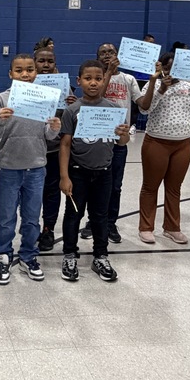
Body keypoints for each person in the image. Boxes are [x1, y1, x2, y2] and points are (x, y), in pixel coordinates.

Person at [0, 54, 61, 284]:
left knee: (31, 218)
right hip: (9, 167)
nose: (25, 74)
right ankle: (3, 253)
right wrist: (0, 119)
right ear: (11, 74)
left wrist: (55, 128)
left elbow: (48, 136)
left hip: (36, 168)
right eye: (19, 70)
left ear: (36, 73)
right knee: (6, 217)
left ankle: (29, 255)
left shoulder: (45, 98)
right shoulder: (2, 99)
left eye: (29, 70)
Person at [59, 59, 130, 282]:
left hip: (104, 173)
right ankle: (70, 254)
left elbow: (121, 143)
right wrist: (64, 176)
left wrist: (123, 133)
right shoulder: (72, 111)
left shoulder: (113, 109)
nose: (93, 83)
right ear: (79, 81)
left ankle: (100, 255)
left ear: (104, 81)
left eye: (98, 79)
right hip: (78, 172)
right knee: (73, 215)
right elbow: (65, 145)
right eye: (88, 78)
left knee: (100, 216)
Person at [137, 54, 190, 244]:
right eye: (168, 67)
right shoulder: (152, 85)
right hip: (156, 142)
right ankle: (146, 227)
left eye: (175, 67)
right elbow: (144, 109)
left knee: (174, 188)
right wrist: (161, 88)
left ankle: (172, 227)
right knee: (150, 186)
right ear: (161, 67)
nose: (171, 71)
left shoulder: (189, 87)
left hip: (182, 144)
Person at [81, 42, 143, 244]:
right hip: (96, 138)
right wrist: (107, 72)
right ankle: (92, 221)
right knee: (93, 183)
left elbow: (143, 105)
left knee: (115, 186)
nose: (108, 55)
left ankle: (110, 222)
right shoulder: (97, 79)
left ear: (118, 54)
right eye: (103, 53)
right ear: (97, 57)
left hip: (118, 139)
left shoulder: (128, 79)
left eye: (111, 52)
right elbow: (98, 94)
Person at [34, 46, 75, 253]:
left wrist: (72, 104)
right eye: (41, 61)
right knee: (31, 192)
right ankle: (31, 228)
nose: (46, 65)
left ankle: (48, 229)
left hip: (53, 149)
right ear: (35, 63)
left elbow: (71, 116)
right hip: (31, 149)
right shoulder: (25, 85)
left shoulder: (64, 86)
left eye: (50, 61)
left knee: (51, 191)